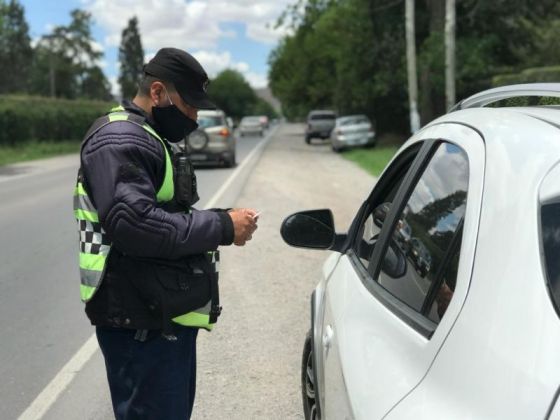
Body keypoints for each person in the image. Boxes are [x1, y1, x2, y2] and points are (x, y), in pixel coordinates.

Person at [73, 47, 258, 419]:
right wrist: (222, 226)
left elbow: (162, 213)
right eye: (189, 104)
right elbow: (136, 225)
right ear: (157, 93)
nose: (194, 116)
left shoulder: (145, 134)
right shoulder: (121, 140)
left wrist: (220, 219)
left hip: (154, 312)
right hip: (139, 319)